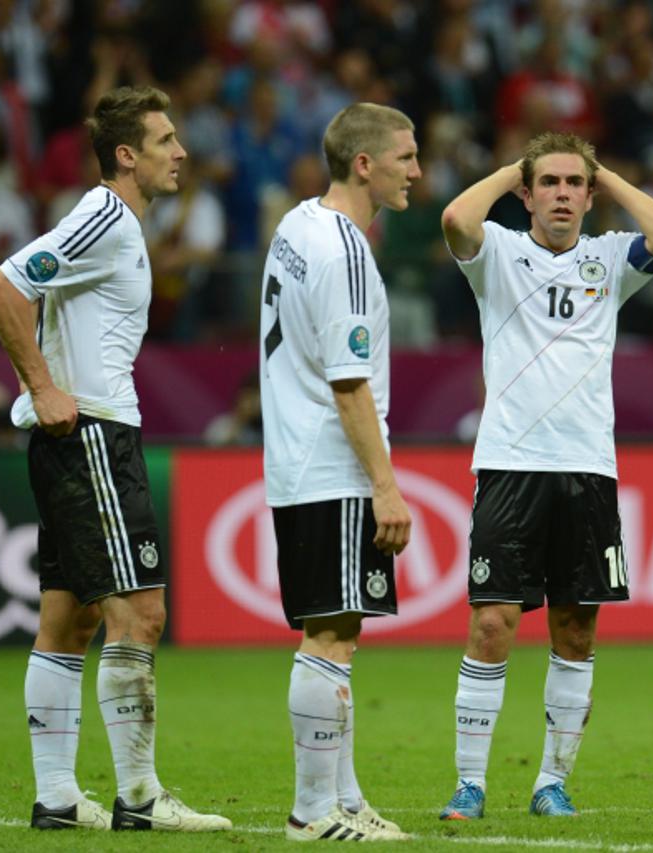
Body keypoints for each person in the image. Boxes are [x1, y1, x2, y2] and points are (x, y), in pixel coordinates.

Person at [0, 85, 230, 833]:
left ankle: (57, 797)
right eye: (165, 140)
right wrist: (44, 385)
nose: (181, 152)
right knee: (140, 612)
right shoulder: (106, 214)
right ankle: (142, 799)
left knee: (70, 618)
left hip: (75, 436)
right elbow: (3, 286)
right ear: (128, 155)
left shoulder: (117, 224)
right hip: (90, 433)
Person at [437, 132, 653, 819]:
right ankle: (470, 782)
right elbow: (456, 219)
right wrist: (512, 168)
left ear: (589, 192)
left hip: (587, 469)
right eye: (547, 182)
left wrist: (608, 176)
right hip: (510, 464)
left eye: (574, 184)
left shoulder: (610, 259)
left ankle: (551, 781)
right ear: (526, 193)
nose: (561, 195)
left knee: (575, 630)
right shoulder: (497, 254)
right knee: (492, 624)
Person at [258, 102, 418, 842]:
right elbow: (350, 384)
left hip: (296, 458)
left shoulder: (296, 225)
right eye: (405, 156)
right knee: (331, 637)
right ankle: (312, 810)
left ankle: (344, 798)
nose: (416, 170)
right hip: (332, 462)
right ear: (365, 164)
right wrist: (385, 483)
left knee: (338, 630)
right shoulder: (346, 252)